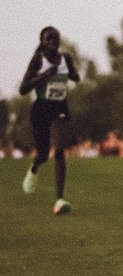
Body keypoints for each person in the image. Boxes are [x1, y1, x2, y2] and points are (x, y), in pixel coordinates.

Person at [19, 26, 80, 215]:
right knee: (44, 154)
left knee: (60, 150)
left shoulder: (66, 58)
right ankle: (34, 167)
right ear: (43, 42)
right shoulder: (38, 60)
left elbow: (76, 77)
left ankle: (59, 200)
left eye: (56, 39)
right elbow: (23, 89)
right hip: (41, 109)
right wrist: (44, 75)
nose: (53, 42)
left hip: (60, 107)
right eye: (49, 39)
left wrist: (70, 73)